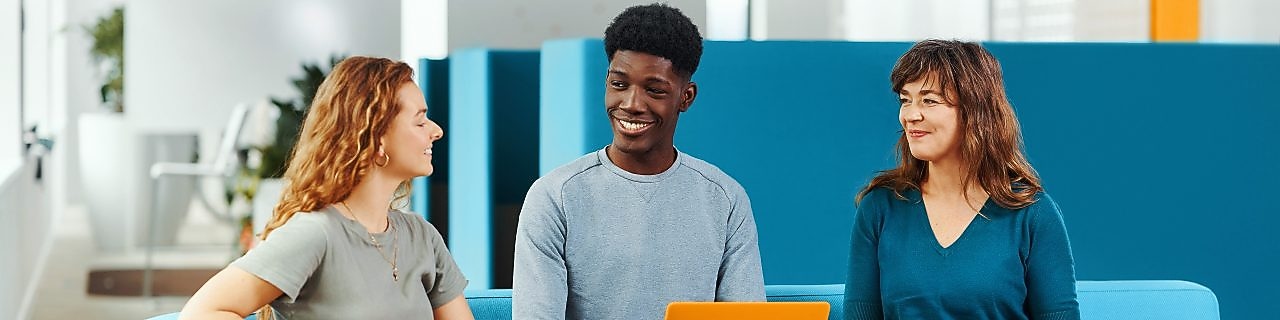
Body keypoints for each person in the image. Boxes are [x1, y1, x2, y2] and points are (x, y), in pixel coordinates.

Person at [511, 3, 765, 319]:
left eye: (654, 90)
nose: (631, 104)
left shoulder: (726, 200)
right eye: (619, 84)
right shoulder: (554, 197)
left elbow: (747, 314)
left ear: (686, 97)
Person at [180, 56, 473, 320]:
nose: (437, 130)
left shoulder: (422, 238)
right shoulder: (316, 233)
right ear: (377, 138)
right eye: (420, 121)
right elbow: (202, 312)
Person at [845, 39, 1080, 319]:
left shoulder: (1033, 213)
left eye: (929, 101)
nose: (910, 115)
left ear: (975, 112)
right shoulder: (880, 208)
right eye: (906, 100)